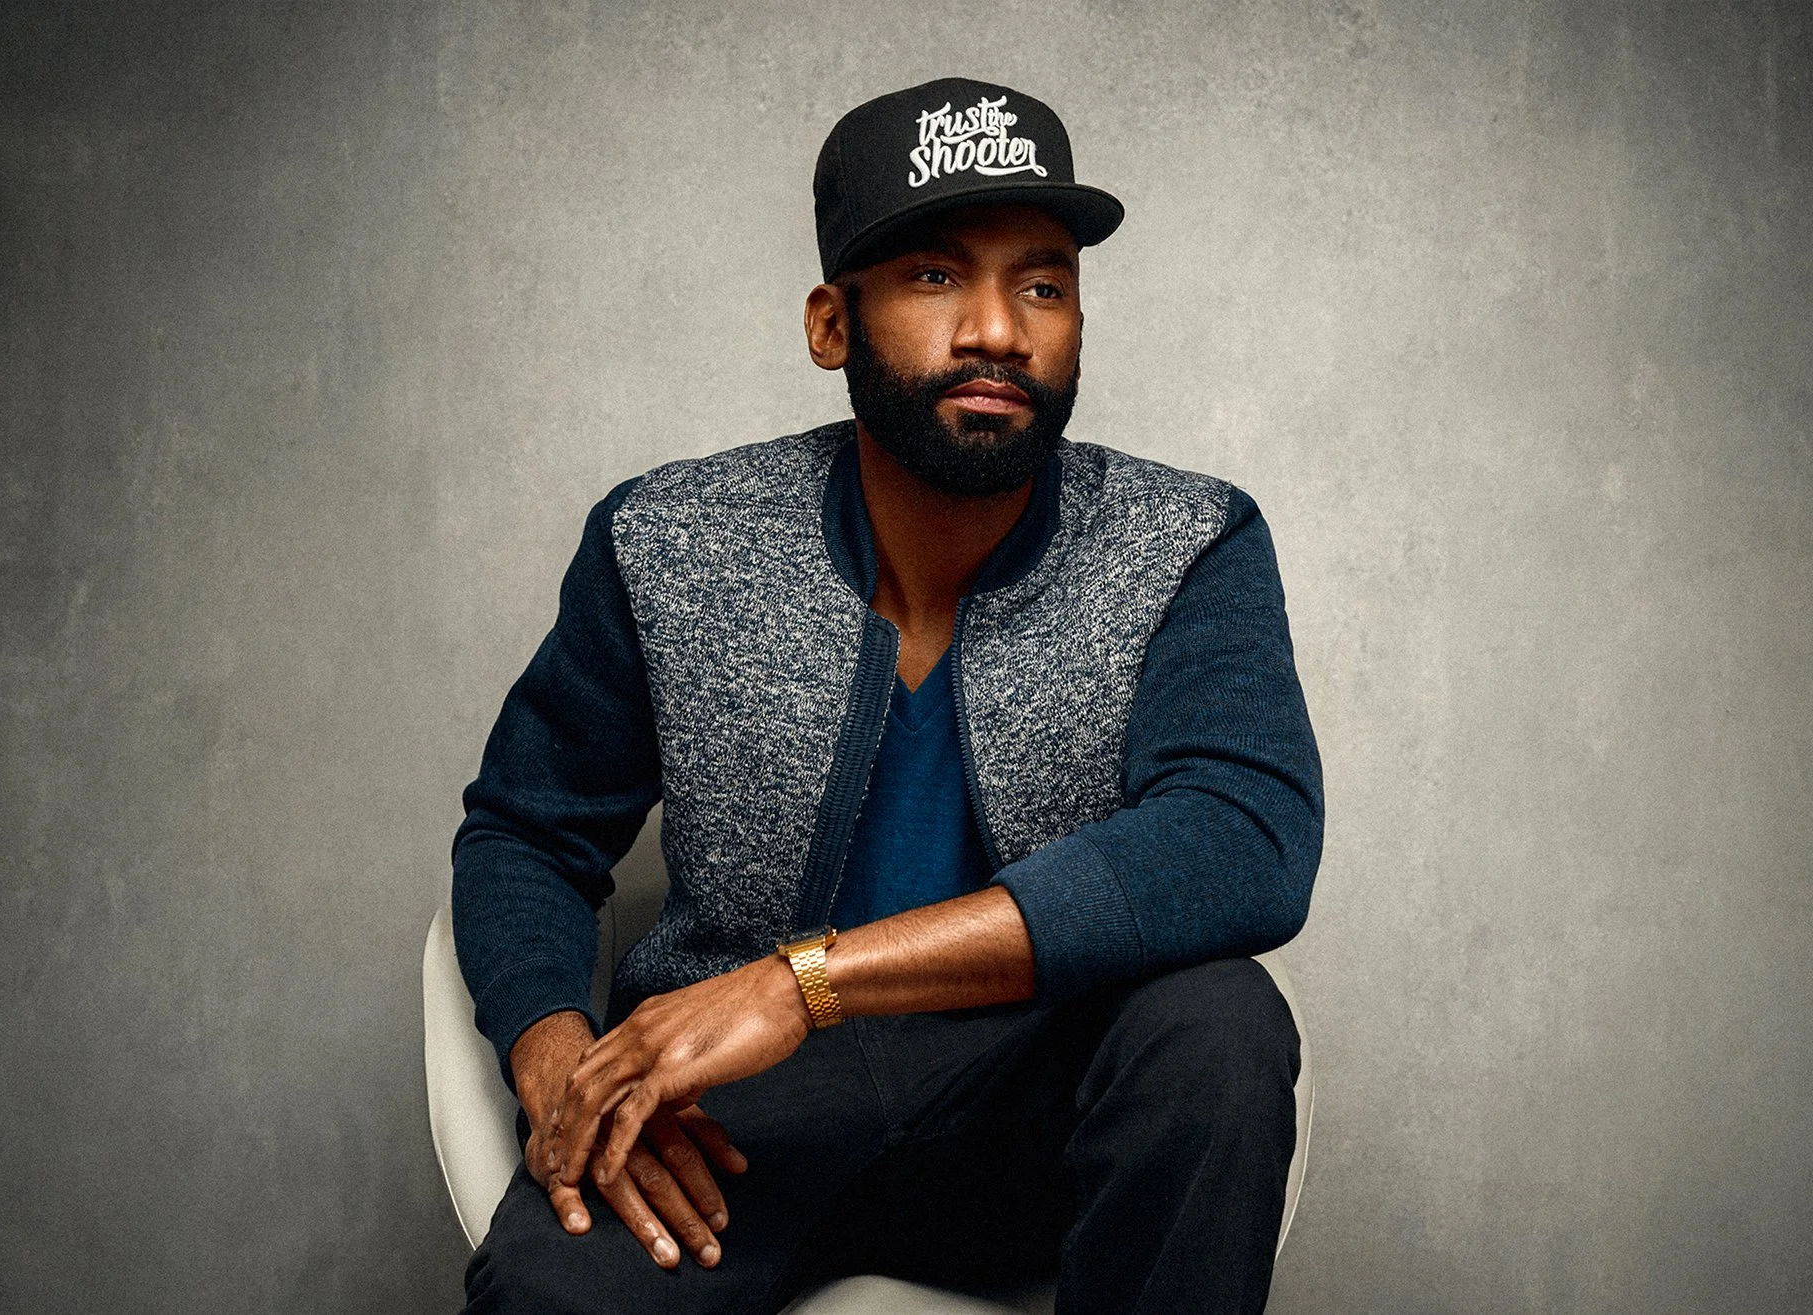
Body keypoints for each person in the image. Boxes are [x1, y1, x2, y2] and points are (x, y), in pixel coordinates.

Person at [450, 76, 1324, 1314]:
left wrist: (798, 982)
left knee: (1217, 1022)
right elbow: (527, 832)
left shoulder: (1186, 540)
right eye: (931, 277)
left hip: (1042, 1117)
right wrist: (556, 1063)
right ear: (829, 323)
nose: (998, 332)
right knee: (546, 1296)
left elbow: (1243, 840)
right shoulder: (671, 537)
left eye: (1041, 282)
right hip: (736, 1128)